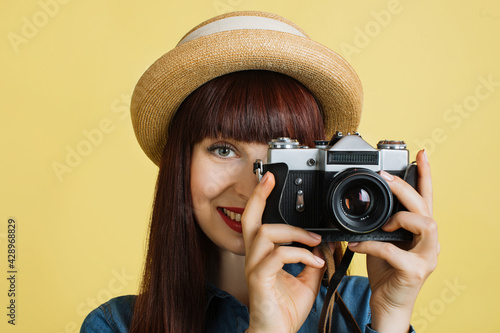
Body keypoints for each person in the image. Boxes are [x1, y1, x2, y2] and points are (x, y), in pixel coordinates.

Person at [80, 11, 439, 333]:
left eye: (278, 156)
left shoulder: (366, 309)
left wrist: (391, 316)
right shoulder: (116, 326)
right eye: (223, 149)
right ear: (180, 163)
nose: (254, 187)